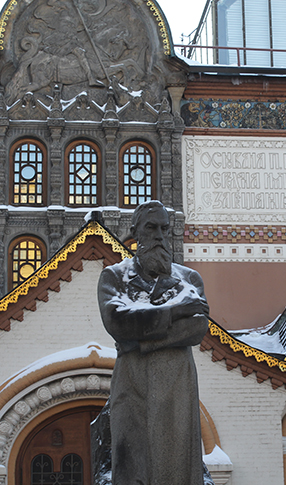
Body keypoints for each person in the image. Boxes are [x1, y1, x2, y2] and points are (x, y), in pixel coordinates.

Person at [97, 200, 209, 485]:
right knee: (133, 466)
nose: (159, 236)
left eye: (164, 229)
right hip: (132, 384)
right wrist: (176, 311)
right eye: (151, 227)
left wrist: (138, 344)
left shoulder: (189, 279)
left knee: (178, 467)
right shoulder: (114, 277)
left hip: (177, 388)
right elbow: (118, 322)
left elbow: (197, 328)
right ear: (135, 232)